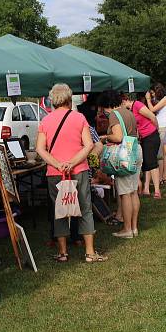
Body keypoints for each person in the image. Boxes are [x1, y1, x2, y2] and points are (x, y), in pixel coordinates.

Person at [36, 84, 107, 263]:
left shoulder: (45, 121)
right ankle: (90, 252)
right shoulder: (79, 118)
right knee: (85, 209)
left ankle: (62, 252)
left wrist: (59, 164)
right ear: (68, 99)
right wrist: (73, 163)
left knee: (59, 210)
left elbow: (39, 149)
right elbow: (89, 145)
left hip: (55, 172)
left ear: (52, 100)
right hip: (79, 170)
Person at [98, 89, 142, 238]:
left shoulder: (114, 115)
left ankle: (127, 229)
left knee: (124, 194)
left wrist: (105, 137)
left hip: (124, 155)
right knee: (133, 191)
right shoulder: (128, 112)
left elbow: (118, 137)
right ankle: (134, 227)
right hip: (136, 150)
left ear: (107, 105)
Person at [123, 93, 160, 198]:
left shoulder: (138, 105)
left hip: (151, 135)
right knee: (146, 163)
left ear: (125, 100)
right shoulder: (131, 110)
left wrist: (156, 130)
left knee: (152, 162)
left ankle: (157, 190)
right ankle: (146, 189)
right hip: (144, 137)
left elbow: (152, 116)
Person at [146, 83, 166, 187]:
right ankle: (164, 177)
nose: (152, 95)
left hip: (162, 128)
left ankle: (161, 177)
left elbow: (152, 110)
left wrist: (148, 99)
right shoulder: (164, 100)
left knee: (160, 155)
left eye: (153, 93)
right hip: (163, 127)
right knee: (164, 154)